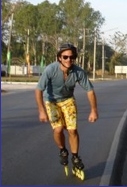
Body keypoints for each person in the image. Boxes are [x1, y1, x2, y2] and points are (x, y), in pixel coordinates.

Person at [35, 43, 98, 171]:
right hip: (51, 101)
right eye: (65, 57)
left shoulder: (78, 72)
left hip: (68, 100)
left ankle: (75, 157)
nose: (69, 60)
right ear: (59, 58)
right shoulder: (50, 70)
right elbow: (38, 90)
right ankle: (63, 150)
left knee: (72, 130)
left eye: (72, 57)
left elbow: (90, 91)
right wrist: (41, 111)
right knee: (58, 129)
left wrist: (93, 110)